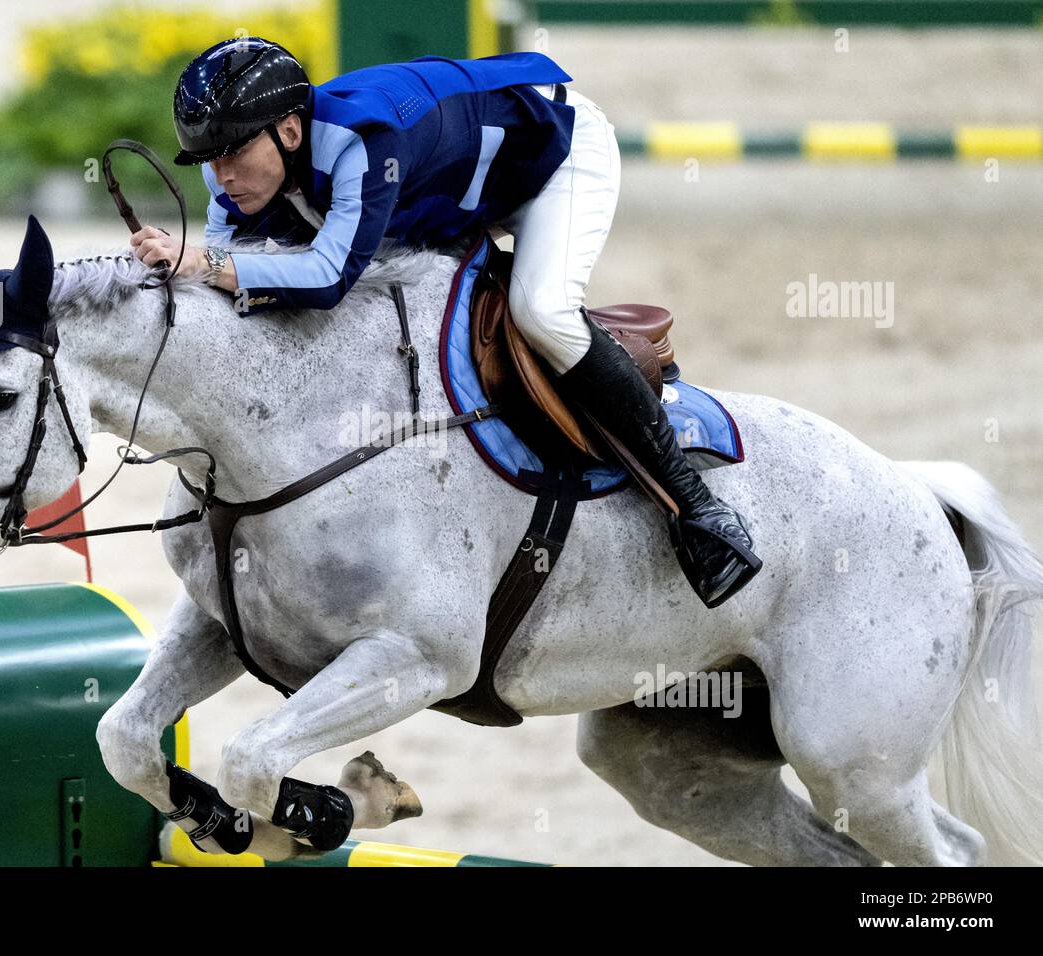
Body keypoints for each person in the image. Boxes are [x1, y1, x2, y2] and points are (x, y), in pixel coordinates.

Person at [130, 36, 760, 607]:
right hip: (449, 193)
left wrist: (207, 261)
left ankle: (698, 507)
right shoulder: (244, 176)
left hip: (553, 160)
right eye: (208, 160)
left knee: (542, 312)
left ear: (290, 133)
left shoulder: (364, 138)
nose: (221, 176)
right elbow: (222, 288)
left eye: (232, 154)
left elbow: (325, 278)